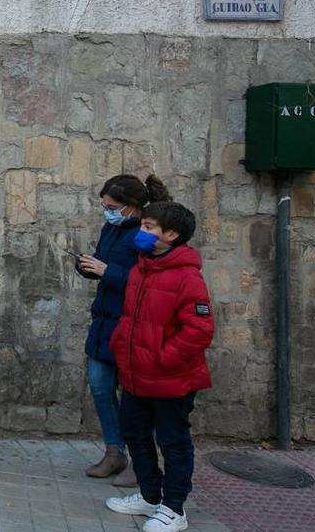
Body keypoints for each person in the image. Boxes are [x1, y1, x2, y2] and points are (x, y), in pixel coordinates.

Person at [106, 201, 213, 532]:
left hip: (171, 379)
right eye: (143, 226)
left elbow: (199, 331)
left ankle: (174, 508)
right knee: (136, 434)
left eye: (149, 227)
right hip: (136, 376)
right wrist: (123, 349)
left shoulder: (187, 278)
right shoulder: (142, 268)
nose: (142, 232)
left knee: (173, 442)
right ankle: (150, 495)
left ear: (172, 234)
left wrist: (161, 359)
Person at [78, 174, 173, 487]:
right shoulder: (112, 228)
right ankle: (114, 451)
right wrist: (89, 267)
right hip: (104, 321)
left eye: (113, 206)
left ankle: (143, 459)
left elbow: (147, 280)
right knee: (100, 388)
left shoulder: (146, 236)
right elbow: (106, 267)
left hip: (131, 324)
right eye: (105, 206)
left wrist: (108, 271)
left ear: (133, 207)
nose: (108, 211)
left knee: (136, 397)